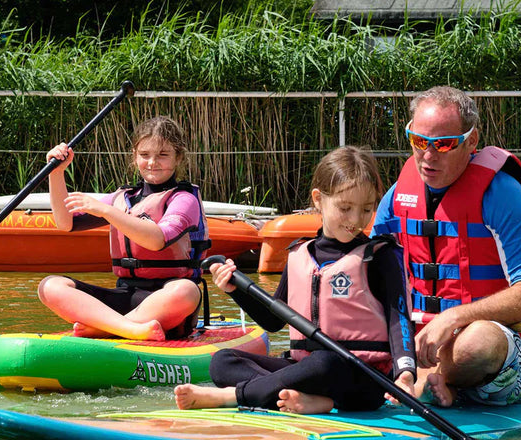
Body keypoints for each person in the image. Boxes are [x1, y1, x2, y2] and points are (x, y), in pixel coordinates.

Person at [174, 146, 417, 415]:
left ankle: (235, 396)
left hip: (362, 378)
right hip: (305, 371)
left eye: (366, 209)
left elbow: (400, 321)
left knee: (325, 363)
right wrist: (235, 290)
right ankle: (306, 400)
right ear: (318, 199)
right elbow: (274, 321)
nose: (356, 220)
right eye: (345, 208)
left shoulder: (378, 258)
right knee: (223, 361)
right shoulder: (300, 253)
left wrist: (406, 372)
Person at [371, 85, 521, 407]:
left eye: (444, 145)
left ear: (472, 141)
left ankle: (431, 379)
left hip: (495, 360)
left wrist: (451, 319)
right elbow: (367, 268)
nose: (427, 155)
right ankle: (432, 381)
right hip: (415, 348)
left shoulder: (505, 196)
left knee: (476, 341)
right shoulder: (399, 195)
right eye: (419, 141)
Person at [38, 116, 210, 341]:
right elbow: (65, 223)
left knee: (187, 291)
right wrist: (56, 173)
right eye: (145, 155)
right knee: (50, 286)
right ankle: (127, 329)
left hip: (166, 303)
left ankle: (106, 329)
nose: (152, 162)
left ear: (178, 158)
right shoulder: (124, 198)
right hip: (126, 296)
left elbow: (157, 240)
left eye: (163, 155)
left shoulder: (183, 199)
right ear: (134, 157)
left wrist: (106, 211)